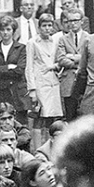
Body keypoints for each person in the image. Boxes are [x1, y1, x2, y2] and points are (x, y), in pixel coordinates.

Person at [26, 12, 63, 151]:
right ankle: (37, 149)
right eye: (44, 26)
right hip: (40, 83)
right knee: (39, 117)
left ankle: (48, 148)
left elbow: (59, 61)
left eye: (49, 25)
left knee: (51, 117)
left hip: (53, 82)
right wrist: (32, 89)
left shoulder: (56, 41)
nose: (47, 28)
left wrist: (55, 67)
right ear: (39, 27)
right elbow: (29, 67)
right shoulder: (32, 42)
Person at [0, 15, 29, 120]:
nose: (5, 32)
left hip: (16, 93)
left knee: (19, 124)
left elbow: (19, 71)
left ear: (13, 31)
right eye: (2, 30)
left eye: (8, 29)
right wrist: (8, 67)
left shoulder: (21, 48)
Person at [55, 8, 86, 121]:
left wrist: (72, 57)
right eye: (70, 21)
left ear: (82, 21)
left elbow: (90, 58)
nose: (73, 23)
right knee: (70, 115)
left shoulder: (89, 38)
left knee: (84, 115)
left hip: (85, 81)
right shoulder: (63, 39)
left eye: (76, 20)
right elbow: (61, 59)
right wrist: (79, 62)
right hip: (68, 82)